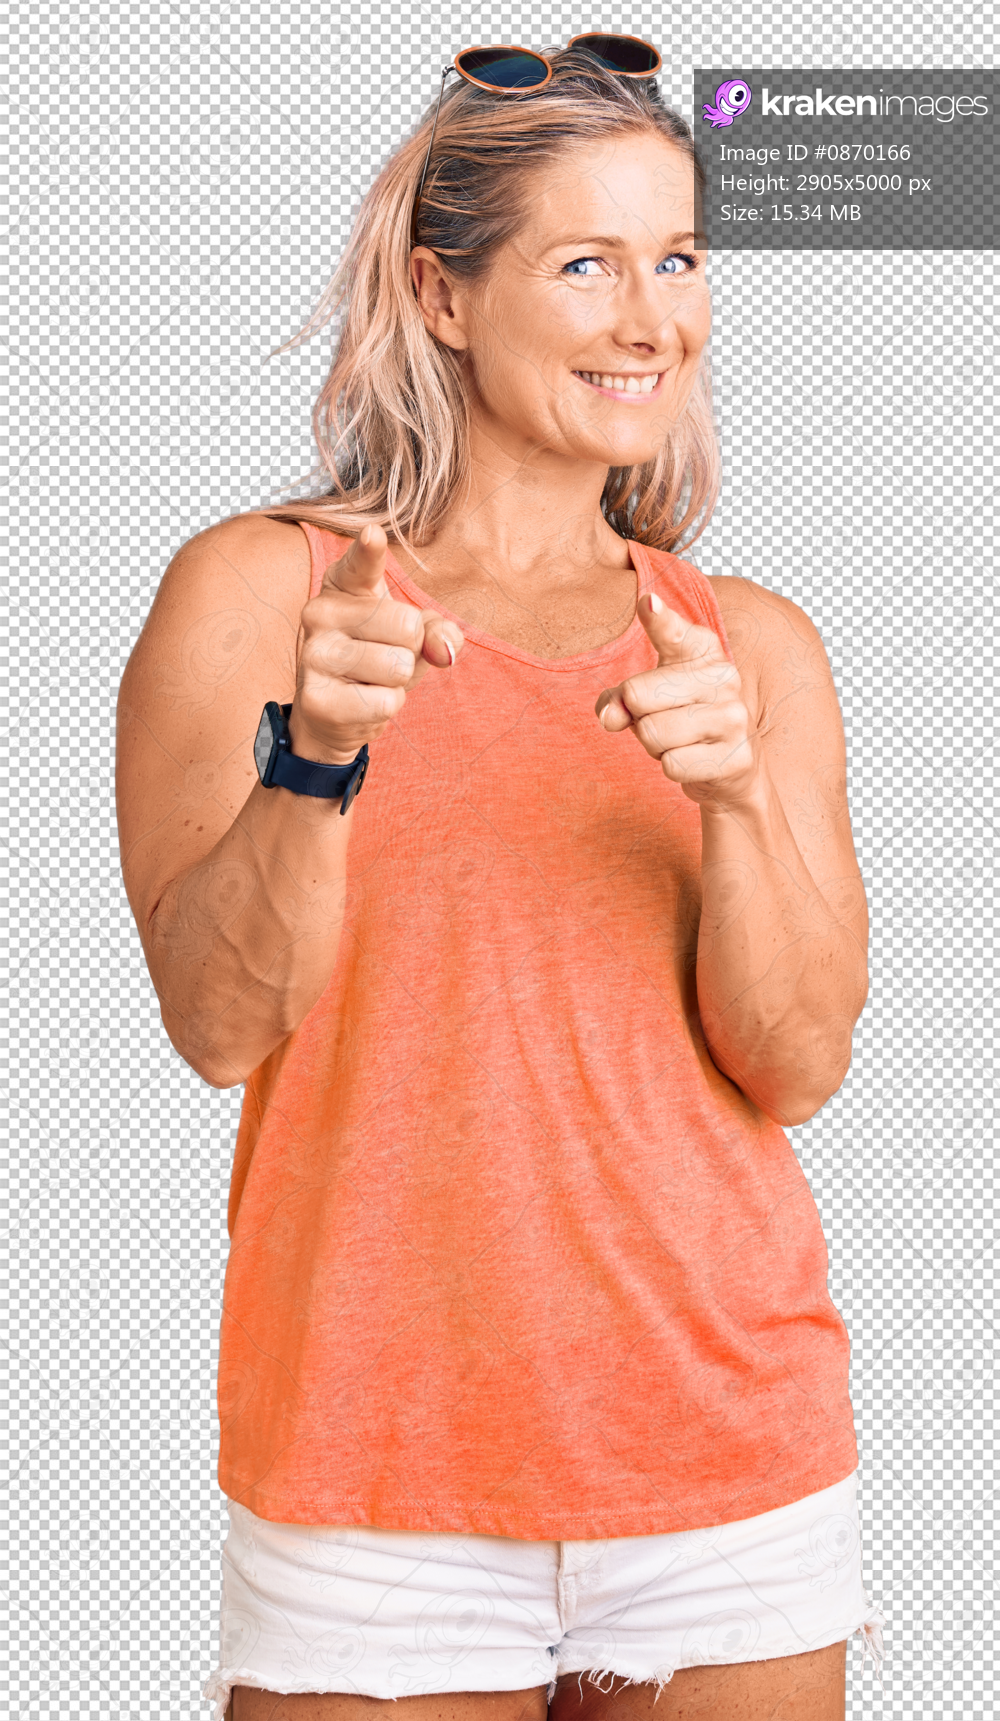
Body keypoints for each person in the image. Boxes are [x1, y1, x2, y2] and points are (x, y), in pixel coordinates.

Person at [115, 39, 885, 1721]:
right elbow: (219, 1024)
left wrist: (739, 800)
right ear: (442, 297)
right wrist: (315, 753)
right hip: (372, 1464)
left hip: (725, 1456)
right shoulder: (261, 594)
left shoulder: (749, 643)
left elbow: (800, 1063)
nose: (650, 319)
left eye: (678, 258)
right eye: (586, 261)